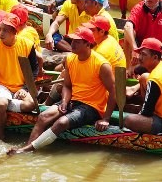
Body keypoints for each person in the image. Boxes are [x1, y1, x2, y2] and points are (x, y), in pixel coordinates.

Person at [7, 27, 116, 155]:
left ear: (88, 44)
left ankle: (27, 149)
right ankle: (28, 147)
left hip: (92, 107)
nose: (72, 44)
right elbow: (67, 86)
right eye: (72, 41)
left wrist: (106, 119)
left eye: (77, 42)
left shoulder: (102, 65)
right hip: (73, 101)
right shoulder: (70, 59)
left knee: (61, 122)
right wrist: (64, 101)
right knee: (43, 116)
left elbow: (113, 91)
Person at [0, 14, 39, 139]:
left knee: (31, 105)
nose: (1, 33)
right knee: (2, 103)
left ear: (15, 32)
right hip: (1, 86)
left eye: (5, 30)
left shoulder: (27, 45)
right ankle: (0, 137)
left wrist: (24, 89)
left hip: (20, 87)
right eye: (0, 29)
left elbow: (34, 70)